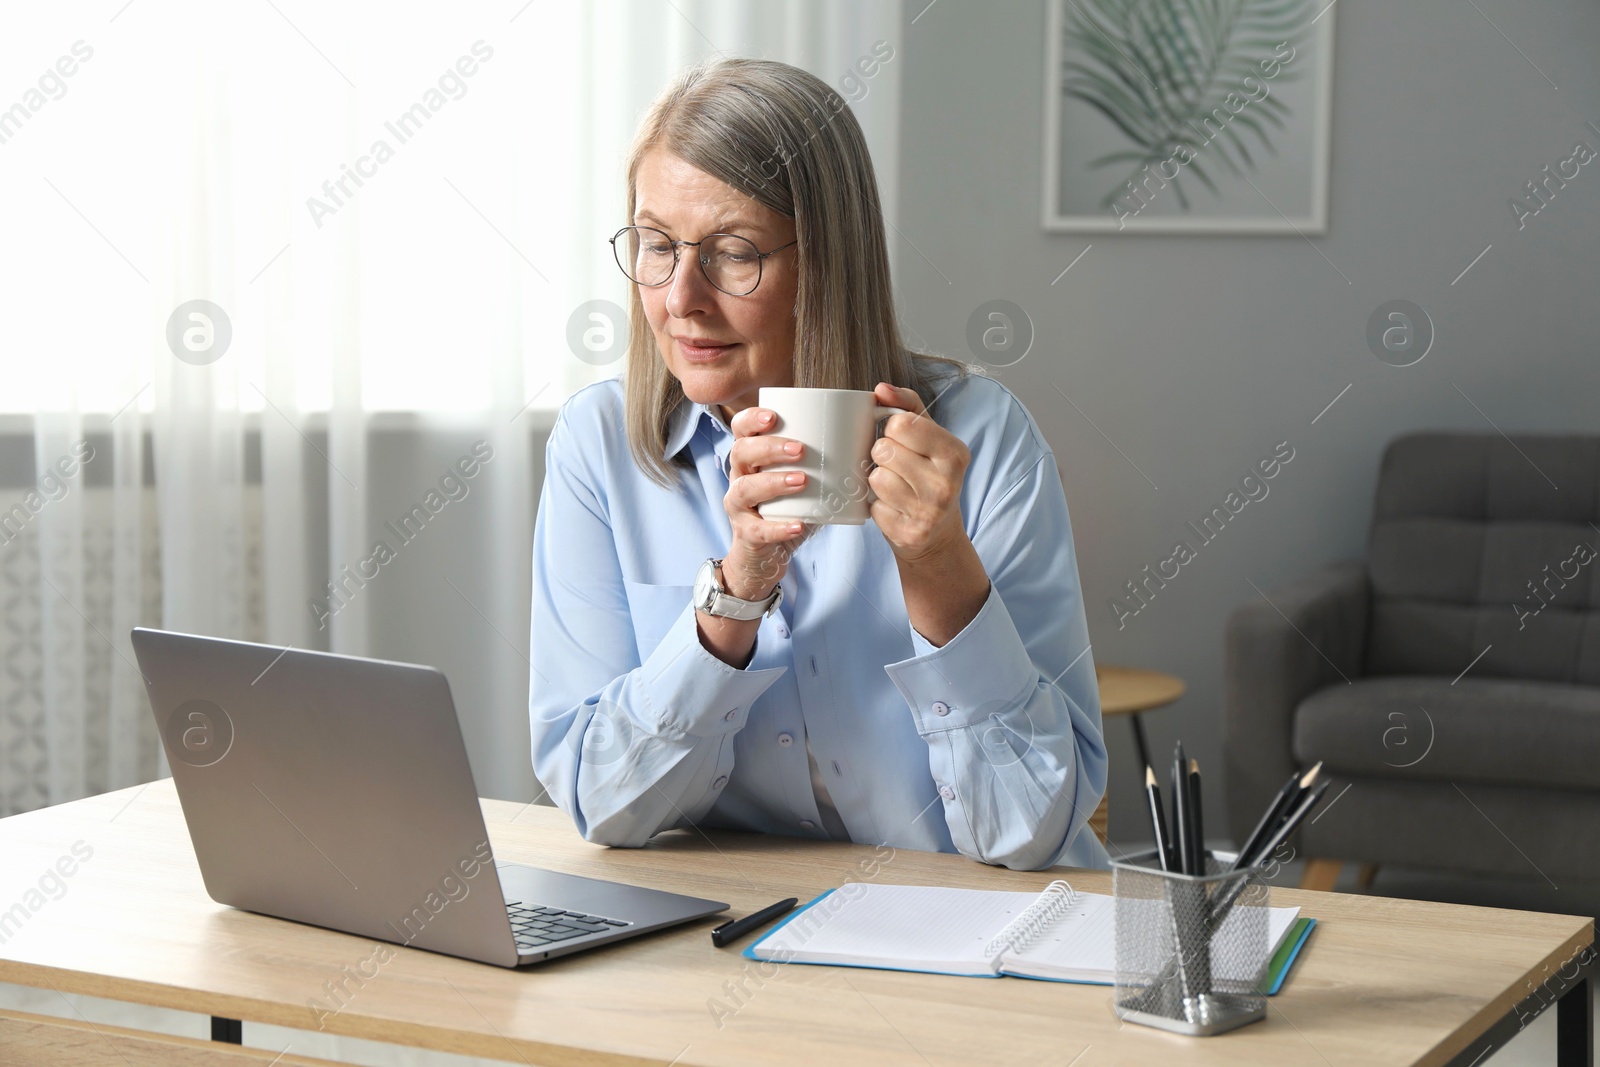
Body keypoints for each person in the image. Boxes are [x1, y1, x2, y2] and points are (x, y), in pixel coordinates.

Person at [529, 57, 1107, 871]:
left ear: (825, 264)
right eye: (657, 244)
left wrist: (939, 564)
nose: (680, 296)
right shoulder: (600, 446)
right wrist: (735, 593)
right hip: (741, 945)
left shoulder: (981, 437)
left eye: (732, 253)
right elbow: (604, 801)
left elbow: (1030, 832)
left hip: (972, 941)